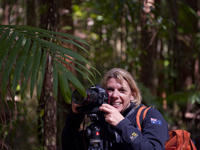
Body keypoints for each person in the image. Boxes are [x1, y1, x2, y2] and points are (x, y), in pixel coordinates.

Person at [62, 68, 169, 150]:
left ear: (132, 95)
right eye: (110, 90)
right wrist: (74, 118)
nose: (115, 95)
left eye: (122, 90)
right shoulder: (101, 120)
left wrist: (122, 124)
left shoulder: (149, 115)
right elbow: (69, 147)